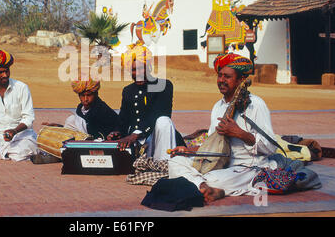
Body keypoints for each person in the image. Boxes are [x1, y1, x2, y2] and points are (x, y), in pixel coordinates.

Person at [168, 53, 278, 203]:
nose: (221, 80)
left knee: (212, 179)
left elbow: (271, 147)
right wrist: (188, 151)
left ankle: (203, 185)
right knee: (175, 162)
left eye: (227, 77)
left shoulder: (255, 105)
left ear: (241, 80)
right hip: (218, 164)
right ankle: (205, 187)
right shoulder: (218, 107)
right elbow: (213, 146)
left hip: (247, 167)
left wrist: (239, 133)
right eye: (220, 76)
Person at [107, 43, 183, 160]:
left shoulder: (163, 85)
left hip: (157, 140)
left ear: (149, 67)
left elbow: (159, 113)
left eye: (140, 68)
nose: (137, 74)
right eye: (133, 70)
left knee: (164, 121)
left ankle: (164, 165)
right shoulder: (128, 91)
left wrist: (135, 135)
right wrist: (117, 132)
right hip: (137, 143)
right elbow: (123, 119)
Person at [42, 78, 119, 140]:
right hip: (87, 138)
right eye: (82, 95)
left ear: (96, 94)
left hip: (101, 142)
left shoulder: (102, 110)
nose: (85, 99)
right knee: (71, 120)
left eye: (89, 95)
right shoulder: (80, 108)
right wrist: (60, 127)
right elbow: (81, 129)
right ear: (78, 95)